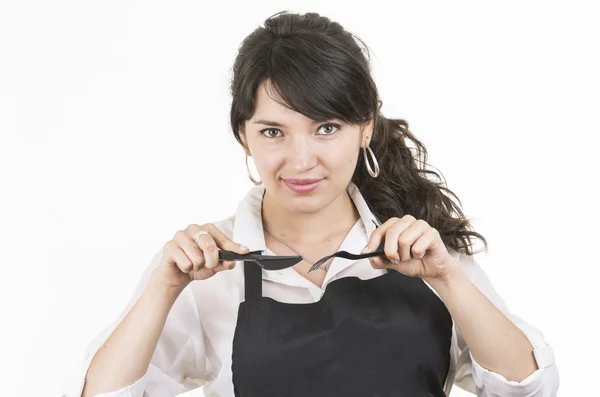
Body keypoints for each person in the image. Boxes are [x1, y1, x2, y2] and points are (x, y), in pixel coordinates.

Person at [62, 10, 559, 397]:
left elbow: (529, 388)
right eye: (273, 131)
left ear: (365, 126)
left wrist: (449, 277)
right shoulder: (207, 267)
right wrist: (162, 288)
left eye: (327, 128)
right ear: (243, 136)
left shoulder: (422, 248)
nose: (302, 161)